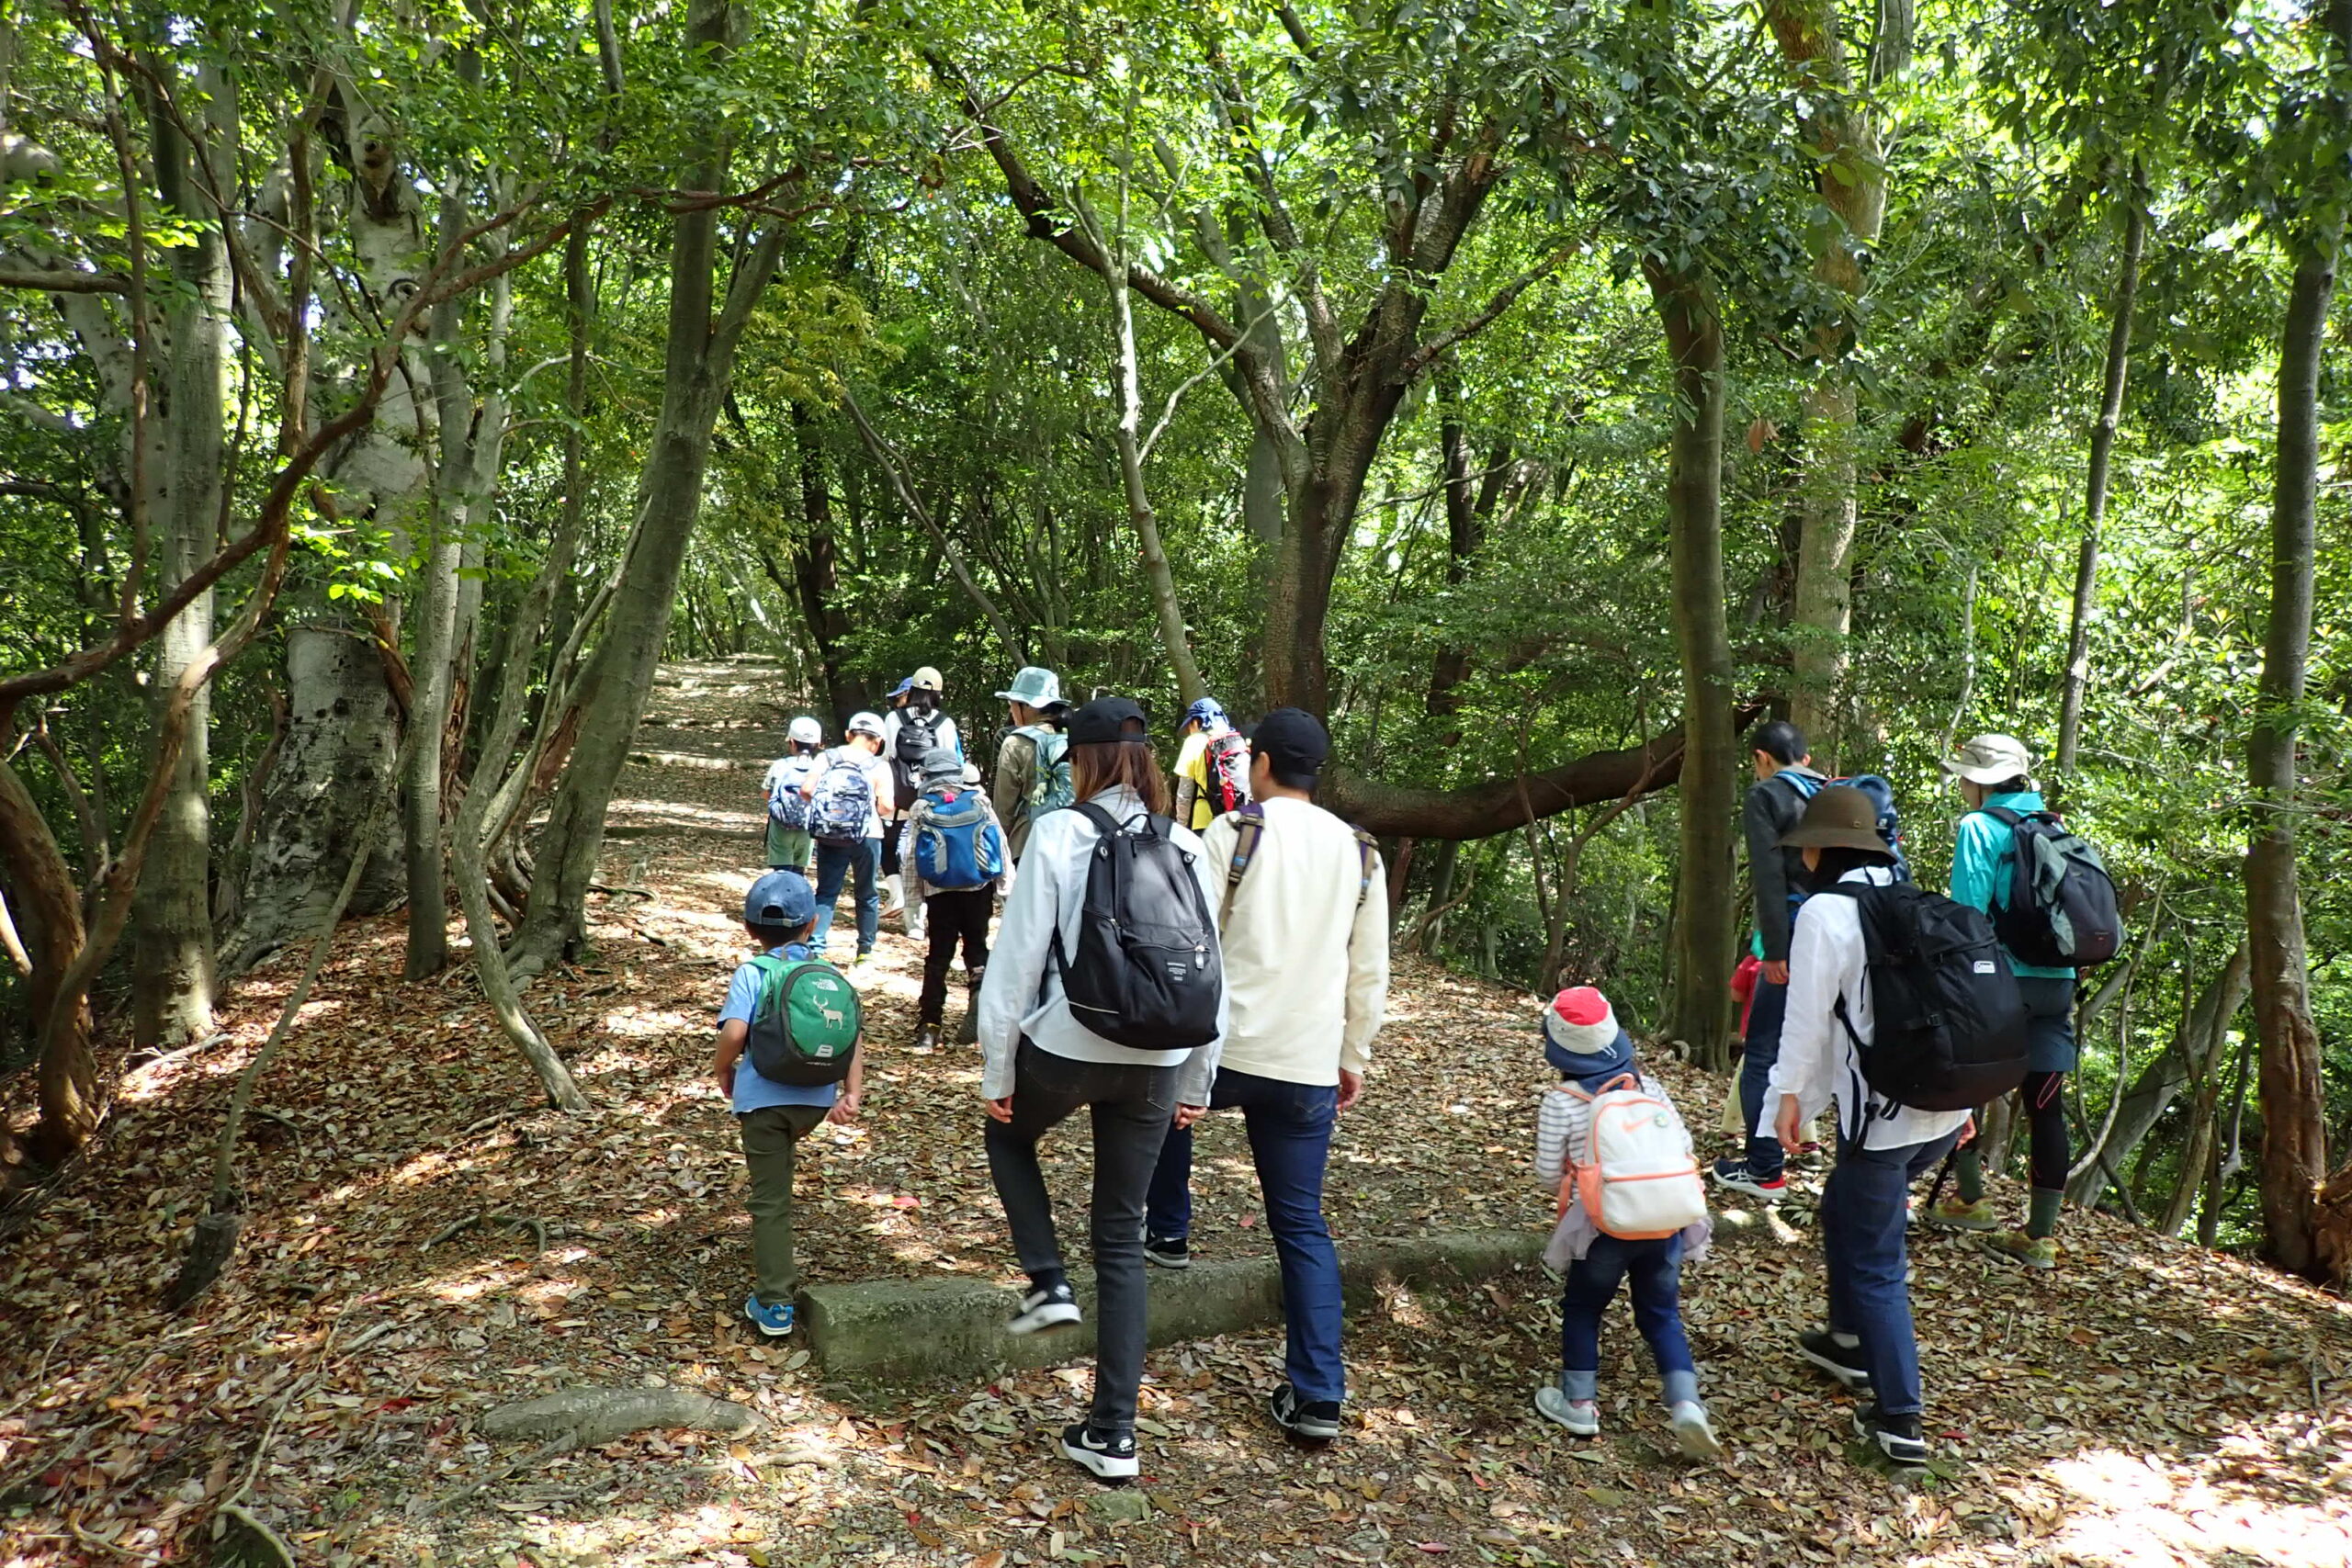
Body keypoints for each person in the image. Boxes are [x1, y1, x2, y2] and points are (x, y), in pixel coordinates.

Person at [975, 696, 1223, 1481]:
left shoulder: (1059, 832)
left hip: (1070, 1041)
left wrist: (997, 1067)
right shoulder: (1187, 843)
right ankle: (1115, 1435)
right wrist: (1198, 1078)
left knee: (1006, 1136)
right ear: (1147, 761)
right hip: (1157, 1057)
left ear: (1079, 760)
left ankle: (1047, 1281)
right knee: (1121, 1235)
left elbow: (1015, 962)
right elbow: (1214, 968)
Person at [1141, 707, 1386, 1441]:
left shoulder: (1233, 832)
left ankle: (1171, 1231)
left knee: (1161, 1112)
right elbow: (1368, 971)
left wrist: (1174, 1048)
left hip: (1225, 1046)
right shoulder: (1360, 851)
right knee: (1303, 1222)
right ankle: (1318, 1394)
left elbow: (1195, 941)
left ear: (1266, 762)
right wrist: (1353, 1057)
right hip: (1307, 1060)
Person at [1768, 784, 1973, 1469]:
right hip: (1947, 1109)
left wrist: (1787, 1101)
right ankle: (1847, 1342)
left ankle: (1899, 1420)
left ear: (1822, 849)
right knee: (1844, 1207)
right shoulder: (1910, 896)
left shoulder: (1826, 912)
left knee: (1876, 1256)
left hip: (1885, 1120)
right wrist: (1966, 1106)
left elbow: (1805, 1022)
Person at [1531, 987, 1720, 1459]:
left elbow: (1546, 1172)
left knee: (1583, 1308)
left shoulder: (1562, 1101)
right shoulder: (1648, 1087)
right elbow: (1683, 1142)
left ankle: (1578, 1402)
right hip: (1664, 1224)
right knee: (1661, 1316)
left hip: (1601, 1228)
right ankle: (1686, 1404)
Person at [1926, 733, 2075, 1269]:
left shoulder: (1978, 827)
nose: (1963, 785)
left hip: (1998, 981)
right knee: (2046, 1106)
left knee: (1965, 1084)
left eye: (1966, 775)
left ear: (1981, 782)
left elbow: (1966, 914)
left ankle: (1970, 1200)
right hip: (2056, 983)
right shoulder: (2055, 825)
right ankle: (2039, 1236)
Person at [712, 871, 864, 1338]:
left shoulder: (752, 973)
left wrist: (722, 1069)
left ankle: (776, 1304)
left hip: (764, 1103)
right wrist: (850, 1092)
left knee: (771, 1201)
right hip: (815, 1100)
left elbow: (735, 1034)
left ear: (748, 928)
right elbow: (852, 1035)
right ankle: (776, 1290)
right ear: (812, 923)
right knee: (781, 1175)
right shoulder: (830, 976)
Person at [1713, 718, 1825, 1203]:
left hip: (1795, 938)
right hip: (1846, 934)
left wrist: (1774, 952)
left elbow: (1768, 876)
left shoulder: (1766, 797)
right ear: (1806, 756)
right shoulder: (1833, 791)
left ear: (1761, 758)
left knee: (1763, 1052)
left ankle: (1764, 1169)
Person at [906, 744, 1008, 1051]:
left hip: (940, 893)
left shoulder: (921, 807)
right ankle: (979, 1018)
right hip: (978, 890)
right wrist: (1006, 890)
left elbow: (910, 858)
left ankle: (930, 1027)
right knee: (977, 948)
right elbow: (998, 846)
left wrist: (913, 902)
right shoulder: (979, 801)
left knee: (939, 956)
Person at [806, 712, 894, 965]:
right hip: (868, 836)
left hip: (830, 835)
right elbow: (887, 806)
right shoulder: (879, 765)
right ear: (877, 742)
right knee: (867, 894)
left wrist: (829, 814)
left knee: (826, 893)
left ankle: (816, 949)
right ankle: (864, 951)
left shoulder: (826, 758)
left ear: (848, 734)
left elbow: (807, 790)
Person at [884, 668, 963, 934]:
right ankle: (938, 917)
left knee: (904, 856)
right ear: (938, 692)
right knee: (934, 853)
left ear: (912, 690)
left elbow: (887, 757)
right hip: (937, 799)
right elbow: (953, 764)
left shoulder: (894, 718)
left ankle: (913, 923)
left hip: (901, 799)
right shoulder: (945, 723)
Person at [990, 665, 1069, 863]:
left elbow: (1004, 807)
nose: (1011, 710)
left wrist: (998, 845)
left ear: (1027, 706)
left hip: (1028, 842)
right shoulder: (1073, 737)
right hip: (1071, 839)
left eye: (1012, 704)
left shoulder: (1016, 742)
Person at [763, 716, 825, 876]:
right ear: (817, 745)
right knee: (799, 871)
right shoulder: (820, 767)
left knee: (781, 871)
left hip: (780, 825)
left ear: (792, 742)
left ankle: (780, 898)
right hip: (807, 827)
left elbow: (766, 793)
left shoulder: (780, 765)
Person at [1171, 696, 1246, 831]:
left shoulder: (1193, 742)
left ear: (1196, 722)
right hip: (1235, 822)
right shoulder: (1236, 740)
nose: (1189, 730)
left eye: (1189, 725)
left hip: (1204, 823)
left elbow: (1184, 794)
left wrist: (1181, 828)